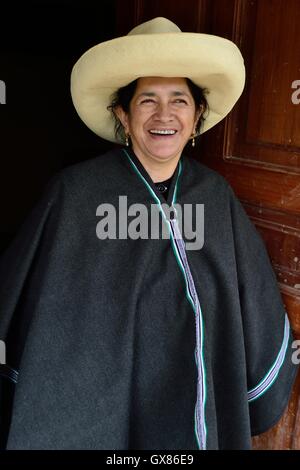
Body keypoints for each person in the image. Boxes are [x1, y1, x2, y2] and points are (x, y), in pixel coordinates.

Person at [0, 17, 298, 450]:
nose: (164, 115)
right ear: (123, 114)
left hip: (190, 393)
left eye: (179, 100)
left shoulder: (214, 196)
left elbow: (248, 294)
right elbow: (34, 300)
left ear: (196, 116)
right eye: (147, 101)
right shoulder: (77, 192)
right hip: (95, 395)